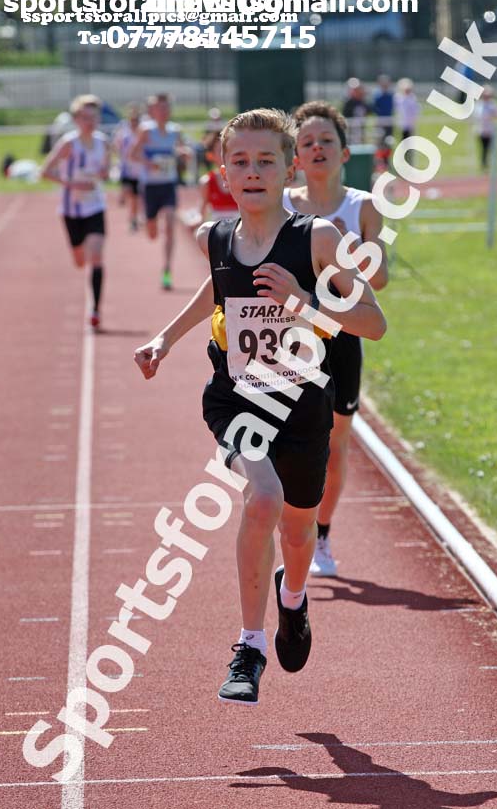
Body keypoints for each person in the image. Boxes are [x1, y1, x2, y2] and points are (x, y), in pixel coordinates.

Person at [133, 108, 386, 705]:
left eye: (265, 160)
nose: (252, 172)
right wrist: (165, 339)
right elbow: (216, 291)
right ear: (222, 169)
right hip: (236, 399)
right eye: (239, 161)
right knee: (262, 498)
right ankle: (250, 645)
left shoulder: (319, 239)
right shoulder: (213, 237)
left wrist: (304, 304)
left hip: (302, 405)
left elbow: (374, 323)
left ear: (289, 166)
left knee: (298, 530)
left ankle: (292, 601)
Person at [284, 100, 388, 577]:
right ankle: (289, 524)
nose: (317, 148)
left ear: (345, 152)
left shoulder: (361, 205)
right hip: (290, 335)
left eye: (327, 140)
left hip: (342, 333)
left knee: (336, 441)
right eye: (307, 142)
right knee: (287, 438)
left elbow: (379, 277)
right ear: (295, 157)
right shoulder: (282, 203)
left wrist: (346, 248)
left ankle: (321, 534)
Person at [40, 94, 109, 329]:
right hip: (71, 210)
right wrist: (72, 183)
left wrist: (101, 175)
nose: (90, 121)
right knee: (80, 260)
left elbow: (106, 170)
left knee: (96, 256)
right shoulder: (69, 143)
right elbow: (45, 171)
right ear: (77, 119)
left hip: (96, 206)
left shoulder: (102, 142)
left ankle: (95, 310)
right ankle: (79, 256)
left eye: (94, 117)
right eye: (85, 117)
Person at [130, 93, 188, 290]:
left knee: (171, 224)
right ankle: (149, 222)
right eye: (158, 108)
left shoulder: (175, 131)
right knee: (152, 232)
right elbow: (133, 154)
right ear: (152, 111)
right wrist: (149, 163)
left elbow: (182, 151)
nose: (163, 111)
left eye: (166, 107)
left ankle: (167, 269)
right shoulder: (146, 131)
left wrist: (183, 155)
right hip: (150, 186)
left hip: (168, 184)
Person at [113, 103, 143, 231]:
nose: (134, 122)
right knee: (129, 192)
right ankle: (124, 198)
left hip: (140, 170)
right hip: (126, 169)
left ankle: (134, 219)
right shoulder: (123, 131)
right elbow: (115, 145)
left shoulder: (143, 132)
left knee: (136, 198)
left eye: (136, 120)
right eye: (132, 119)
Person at [199, 131, 239, 221]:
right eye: (221, 150)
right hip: (218, 232)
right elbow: (202, 212)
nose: (226, 154)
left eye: (228, 149)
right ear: (210, 156)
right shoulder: (206, 182)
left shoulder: (243, 178)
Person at [474, 86, 497, 171]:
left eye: (488, 95)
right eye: (485, 95)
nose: (487, 97)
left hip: (492, 131)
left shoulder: (493, 104)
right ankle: (484, 166)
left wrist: (495, 115)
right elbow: (477, 116)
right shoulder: (479, 105)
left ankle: (494, 165)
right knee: (484, 149)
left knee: (494, 149)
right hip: (482, 131)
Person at [342, 78, 370, 144]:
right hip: (352, 130)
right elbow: (345, 116)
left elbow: (369, 111)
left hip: (361, 129)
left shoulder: (362, 101)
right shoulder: (348, 103)